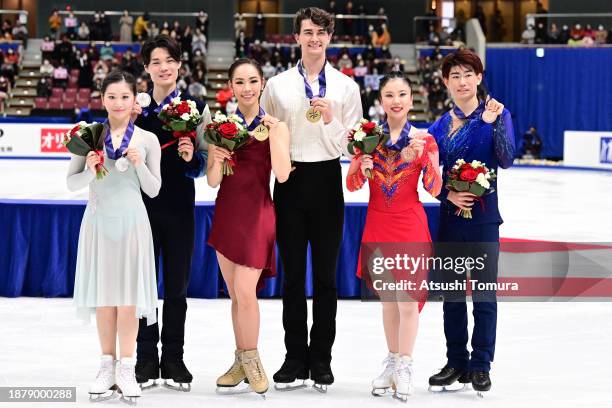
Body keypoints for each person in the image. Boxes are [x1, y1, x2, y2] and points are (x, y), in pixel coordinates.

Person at [260, 7, 362, 391]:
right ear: (297, 37)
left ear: (330, 37)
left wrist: (334, 118)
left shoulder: (346, 88)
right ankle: (293, 357)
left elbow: (353, 143)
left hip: (326, 180)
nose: (314, 38)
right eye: (307, 32)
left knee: (324, 278)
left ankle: (321, 359)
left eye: (321, 32)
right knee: (291, 279)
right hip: (289, 180)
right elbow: (263, 134)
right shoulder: (278, 85)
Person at [346, 71, 442, 400]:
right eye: (389, 95)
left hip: (409, 224)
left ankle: (405, 364)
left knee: (407, 302)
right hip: (378, 223)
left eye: (402, 94)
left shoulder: (424, 139)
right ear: (380, 100)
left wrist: (426, 162)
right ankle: (391, 360)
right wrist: (361, 162)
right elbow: (353, 185)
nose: (396, 101)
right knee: (388, 301)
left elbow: (434, 188)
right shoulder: (367, 136)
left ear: (411, 100)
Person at [68, 70, 161, 404]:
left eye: (125, 97)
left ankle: (127, 366)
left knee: (128, 300)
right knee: (105, 298)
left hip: (133, 224)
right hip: (98, 223)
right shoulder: (88, 135)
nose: (119, 103)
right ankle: (106, 365)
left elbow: (154, 189)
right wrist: (90, 169)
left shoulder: (147, 139)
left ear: (135, 100)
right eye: (112, 97)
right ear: (102, 98)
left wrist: (140, 166)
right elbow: (71, 183)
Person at [426, 49, 515, 396]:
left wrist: (489, 125)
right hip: (450, 221)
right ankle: (455, 361)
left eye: (468, 74)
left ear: (479, 78)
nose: (462, 82)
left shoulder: (498, 113)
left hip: (483, 221)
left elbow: (506, 158)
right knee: (450, 296)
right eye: (455, 76)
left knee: (483, 295)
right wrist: (446, 195)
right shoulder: (437, 127)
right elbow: (429, 177)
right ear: (446, 82)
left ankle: (480, 364)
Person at [207, 58, 291, 396]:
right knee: (235, 296)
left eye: (252, 81)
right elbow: (213, 180)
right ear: (231, 86)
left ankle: (253, 359)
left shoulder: (276, 126)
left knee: (245, 292)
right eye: (239, 82)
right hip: (227, 212)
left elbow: (283, 175)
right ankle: (240, 360)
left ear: (262, 85)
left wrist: (273, 135)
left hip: (258, 213)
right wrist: (218, 155)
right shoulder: (221, 127)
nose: (246, 88)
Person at [132, 34, 212, 392]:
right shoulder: (135, 106)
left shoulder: (196, 108)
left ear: (179, 64)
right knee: (145, 287)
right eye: (155, 62)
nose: (163, 68)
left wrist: (189, 156)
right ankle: (145, 356)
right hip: (142, 207)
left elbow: (204, 164)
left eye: (169, 61)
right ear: (147, 68)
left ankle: (174, 358)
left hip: (180, 207)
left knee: (176, 287)